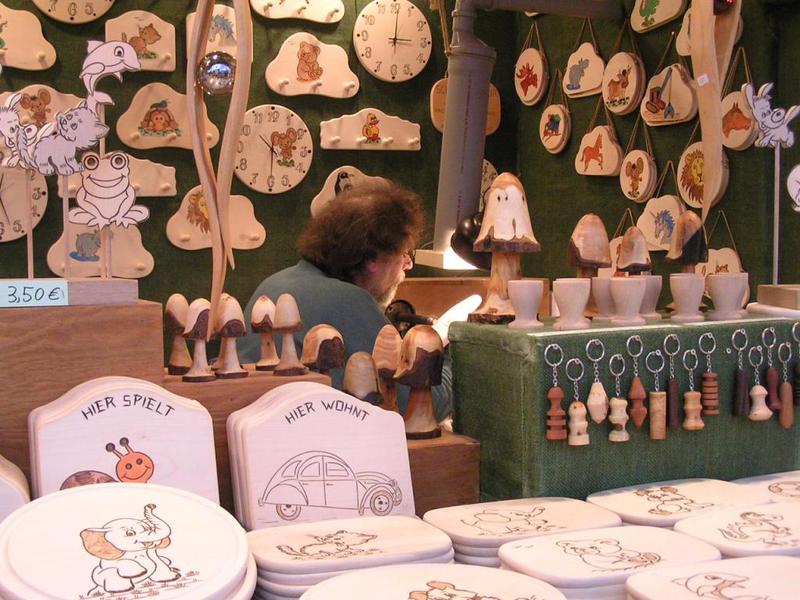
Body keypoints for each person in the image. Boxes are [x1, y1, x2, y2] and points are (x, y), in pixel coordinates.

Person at [238, 179, 452, 423]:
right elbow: (418, 407)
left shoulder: (274, 283)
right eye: (403, 254)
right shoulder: (349, 300)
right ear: (373, 259)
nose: (407, 265)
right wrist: (450, 349)